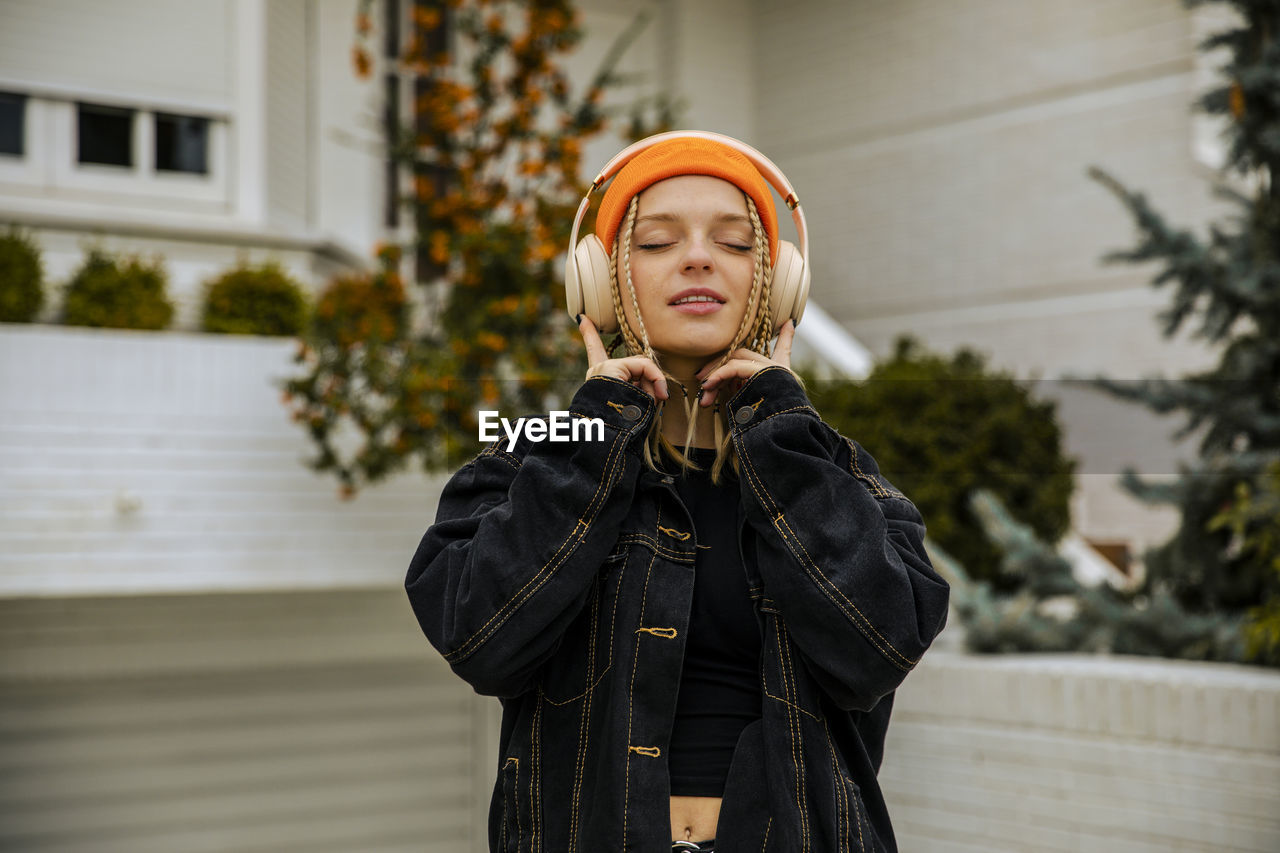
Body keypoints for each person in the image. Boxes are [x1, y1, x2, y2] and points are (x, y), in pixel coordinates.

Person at [405, 131, 950, 852]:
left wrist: (779, 433)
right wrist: (595, 432)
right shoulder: (532, 458)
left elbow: (881, 649)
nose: (698, 257)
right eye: (658, 242)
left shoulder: (832, 470)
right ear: (599, 281)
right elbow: (478, 638)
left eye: (733, 243)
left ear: (777, 281)